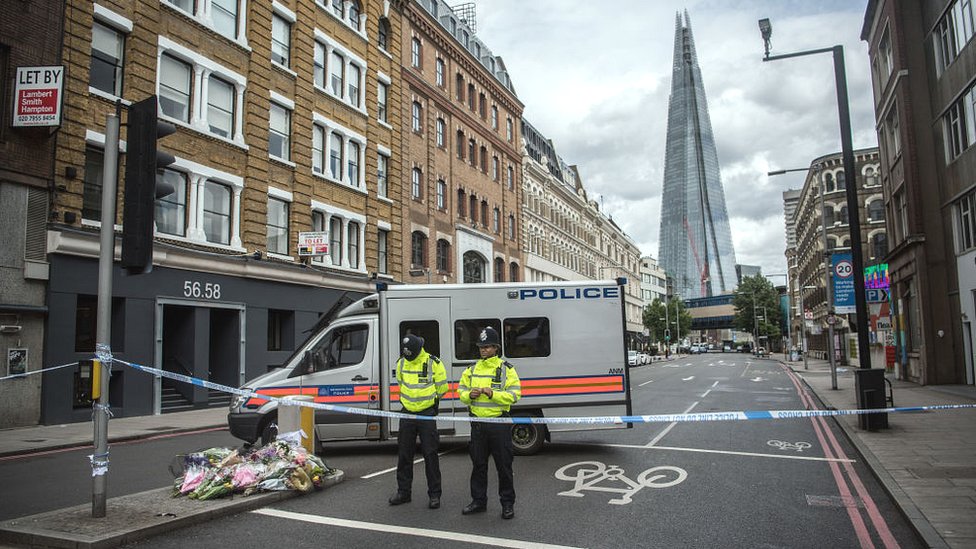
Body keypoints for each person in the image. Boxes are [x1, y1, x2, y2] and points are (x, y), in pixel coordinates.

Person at [458, 326, 522, 519]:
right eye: (481, 347)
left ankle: (507, 504)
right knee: (478, 466)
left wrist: (492, 393)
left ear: (496, 348)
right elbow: (461, 392)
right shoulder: (471, 369)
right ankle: (478, 501)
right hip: (478, 425)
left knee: (504, 467)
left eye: (487, 347)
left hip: (498, 424)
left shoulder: (507, 369)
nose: (483, 350)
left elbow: (514, 395)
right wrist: (469, 395)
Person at [389, 334, 448, 509]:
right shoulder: (402, 362)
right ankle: (403, 493)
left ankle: (435, 495)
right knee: (404, 455)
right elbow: (401, 383)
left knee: (430, 455)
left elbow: (442, 388)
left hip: (426, 414)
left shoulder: (433, 362)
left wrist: (428, 403)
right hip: (407, 413)